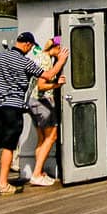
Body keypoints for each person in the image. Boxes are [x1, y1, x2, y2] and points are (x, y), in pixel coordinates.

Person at [0, 32, 43, 197]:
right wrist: (62, 62)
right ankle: (3, 184)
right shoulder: (25, 61)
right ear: (28, 44)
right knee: (8, 147)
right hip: (13, 109)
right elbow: (48, 75)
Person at [24, 36, 70, 188]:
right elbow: (42, 85)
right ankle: (36, 174)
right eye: (62, 48)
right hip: (41, 102)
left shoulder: (40, 56)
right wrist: (57, 84)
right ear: (56, 48)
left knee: (42, 138)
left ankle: (40, 172)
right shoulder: (46, 60)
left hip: (32, 102)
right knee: (52, 136)